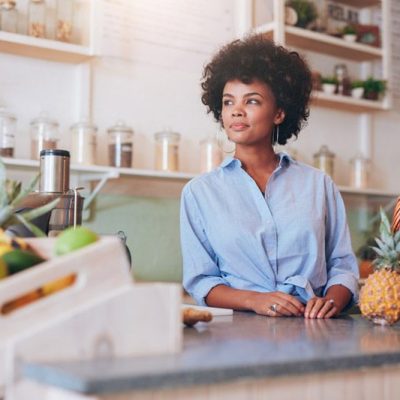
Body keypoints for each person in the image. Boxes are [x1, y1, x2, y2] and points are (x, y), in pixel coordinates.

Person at [180, 34, 359, 319]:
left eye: (251, 101)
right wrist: (255, 300)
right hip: (238, 336)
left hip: (314, 330)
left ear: (278, 113)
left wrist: (331, 302)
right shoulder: (199, 192)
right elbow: (203, 281)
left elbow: (342, 266)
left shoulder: (318, 185)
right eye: (228, 102)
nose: (236, 110)